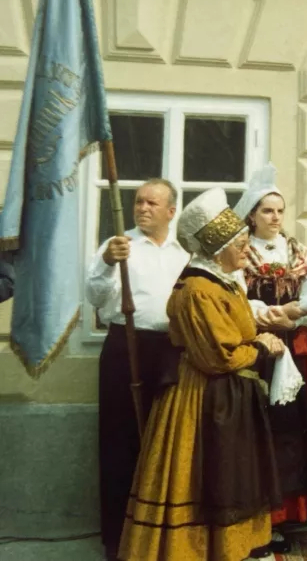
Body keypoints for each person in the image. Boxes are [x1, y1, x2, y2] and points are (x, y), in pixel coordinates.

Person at [117, 188, 285, 561]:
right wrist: (260, 347)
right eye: (240, 244)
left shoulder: (224, 282)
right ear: (218, 248)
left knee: (229, 476)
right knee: (202, 475)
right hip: (199, 398)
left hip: (227, 394)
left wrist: (259, 335)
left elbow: (232, 334)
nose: (247, 251)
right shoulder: (197, 289)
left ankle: (229, 548)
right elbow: (217, 356)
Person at [232, 163, 307, 553]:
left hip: (297, 352)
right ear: (251, 215)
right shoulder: (240, 253)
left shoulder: (297, 250)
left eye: (280, 210)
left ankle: (292, 512)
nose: (275, 216)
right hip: (260, 351)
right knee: (263, 432)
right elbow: (233, 302)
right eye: (267, 210)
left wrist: (296, 311)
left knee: (298, 432)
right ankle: (260, 517)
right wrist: (265, 314)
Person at [83, 179, 190, 560]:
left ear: (171, 211)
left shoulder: (184, 251)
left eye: (151, 202)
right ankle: (118, 539)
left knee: (167, 444)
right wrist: (107, 263)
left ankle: (163, 536)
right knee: (120, 442)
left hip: (171, 351)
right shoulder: (118, 246)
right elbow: (95, 298)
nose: (142, 208)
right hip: (124, 347)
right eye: (138, 201)